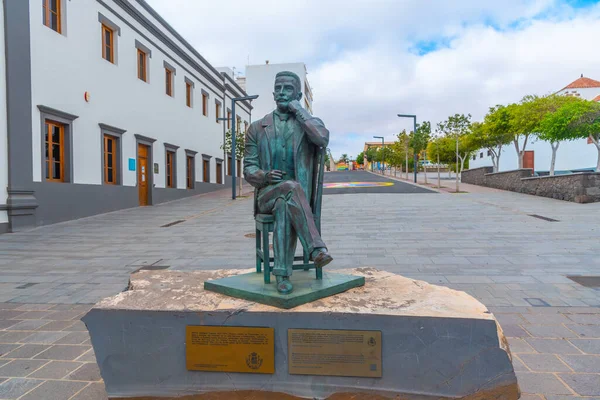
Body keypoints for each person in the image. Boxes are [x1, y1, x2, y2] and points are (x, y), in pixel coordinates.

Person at [244, 71, 332, 294]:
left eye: (288, 89)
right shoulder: (257, 128)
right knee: (290, 189)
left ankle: (282, 275)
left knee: (286, 201)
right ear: (273, 92)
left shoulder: (308, 124)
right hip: (266, 196)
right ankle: (316, 249)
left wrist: (299, 111)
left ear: (298, 95)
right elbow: (249, 169)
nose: (282, 93)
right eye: (278, 88)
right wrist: (263, 176)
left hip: (294, 200)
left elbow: (321, 138)